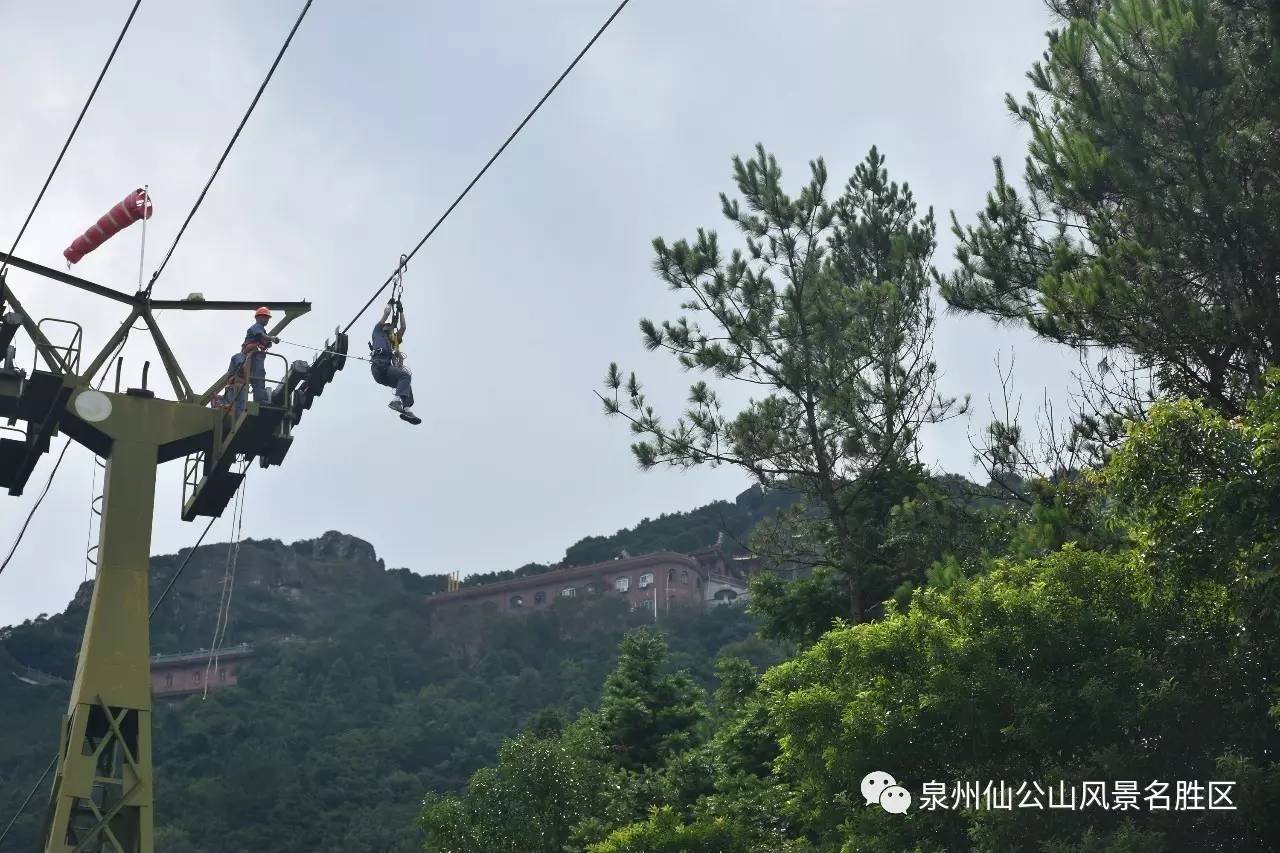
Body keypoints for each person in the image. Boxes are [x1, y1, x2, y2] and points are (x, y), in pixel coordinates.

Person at [370, 297, 419, 425]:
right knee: (405, 376)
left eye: (391, 327)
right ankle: (396, 401)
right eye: (388, 325)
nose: (389, 326)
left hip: (385, 372)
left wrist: (401, 310)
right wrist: (390, 304)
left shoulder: (393, 341)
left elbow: (403, 327)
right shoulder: (377, 332)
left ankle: (406, 409)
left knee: (406, 383)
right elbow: (386, 313)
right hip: (379, 365)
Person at [227, 307, 278, 416]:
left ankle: (260, 399)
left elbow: (264, 341)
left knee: (259, 377)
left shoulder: (262, 330)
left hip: (257, 356)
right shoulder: (256, 327)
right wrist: (271, 338)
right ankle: (259, 400)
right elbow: (261, 336)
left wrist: (268, 342)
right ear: (258, 317)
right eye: (265, 317)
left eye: (268, 318)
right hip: (252, 356)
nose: (267, 320)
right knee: (258, 377)